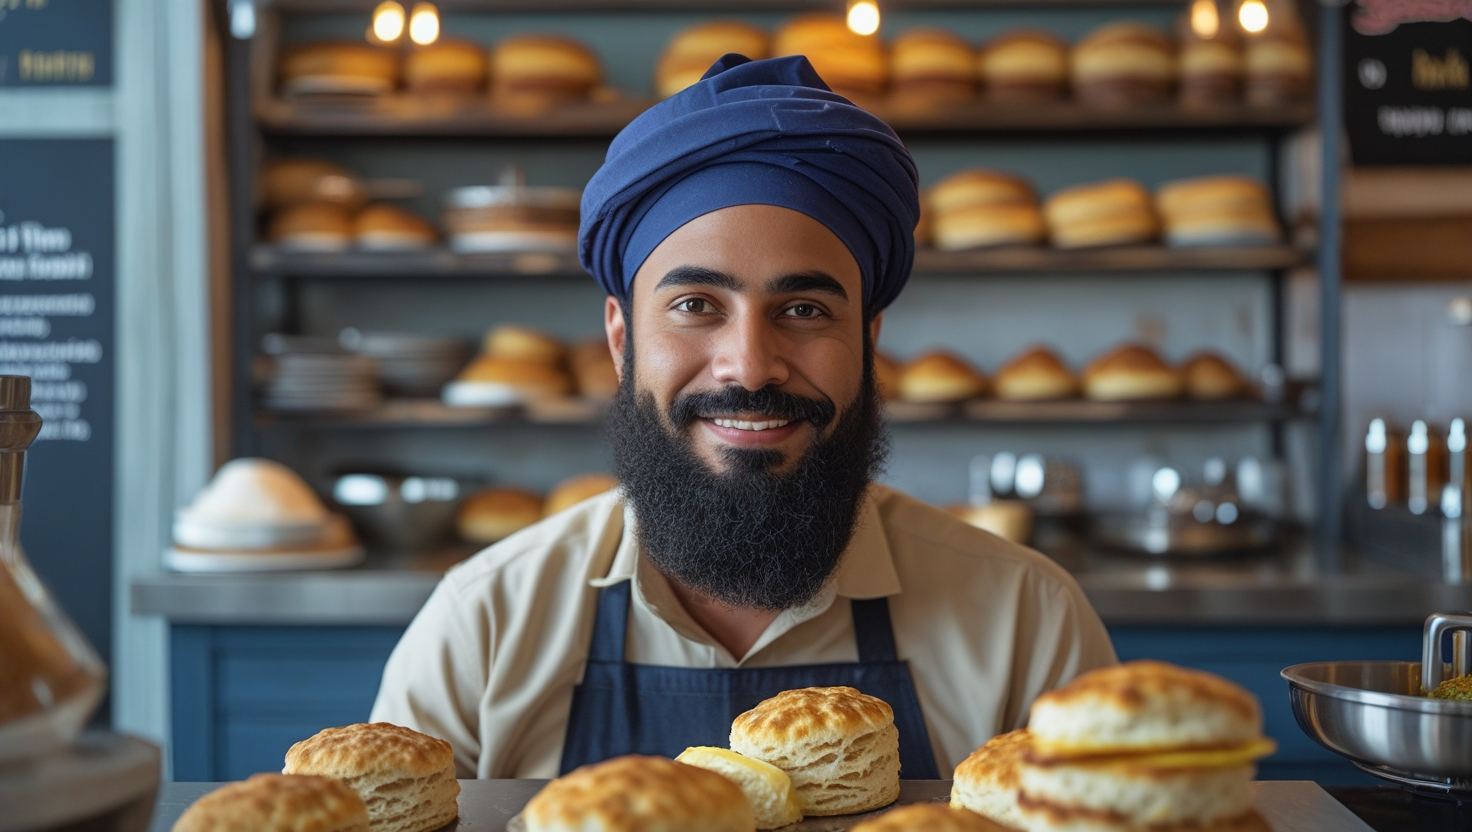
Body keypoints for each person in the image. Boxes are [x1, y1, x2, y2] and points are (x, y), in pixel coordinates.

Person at [371, 54, 1115, 779]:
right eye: (696, 306)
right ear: (622, 337)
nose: (751, 366)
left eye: (804, 309)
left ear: (868, 339)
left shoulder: (1026, 620)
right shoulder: (486, 624)